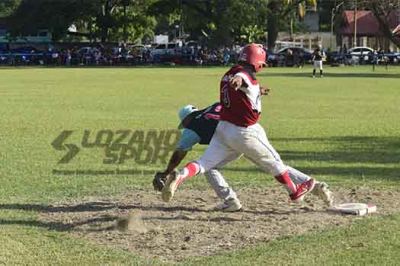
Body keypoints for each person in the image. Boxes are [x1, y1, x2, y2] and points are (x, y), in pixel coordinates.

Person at [161, 43, 333, 207]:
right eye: (262, 64)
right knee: (275, 163)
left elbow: (241, 84)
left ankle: (181, 176)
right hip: (245, 132)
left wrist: (257, 89)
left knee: (205, 163)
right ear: (257, 61)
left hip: (223, 129)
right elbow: (242, 79)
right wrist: (238, 81)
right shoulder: (244, 74)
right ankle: (295, 192)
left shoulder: (228, 73)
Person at [153, 103, 242, 212]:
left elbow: (179, 153)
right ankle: (231, 202)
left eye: (184, 123)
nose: (185, 126)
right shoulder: (214, 107)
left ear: (188, 118)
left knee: (208, 167)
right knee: (267, 162)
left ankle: (231, 202)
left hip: (229, 141)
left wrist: (166, 173)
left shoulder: (193, 126)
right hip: (246, 131)